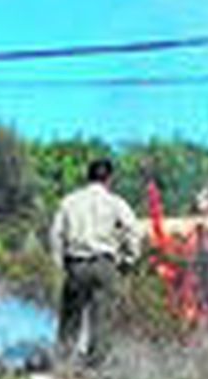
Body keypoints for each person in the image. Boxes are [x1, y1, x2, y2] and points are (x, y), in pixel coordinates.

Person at [49, 157, 143, 366]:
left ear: (87, 177)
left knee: (71, 317)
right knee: (102, 319)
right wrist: (128, 259)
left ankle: (63, 363)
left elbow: (56, 235)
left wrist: (61, 263)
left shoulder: (69, 202)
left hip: (76, 264)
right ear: (109, 179)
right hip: (105, 264)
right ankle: (95, 367)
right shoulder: (116, 203)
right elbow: (133, 231)